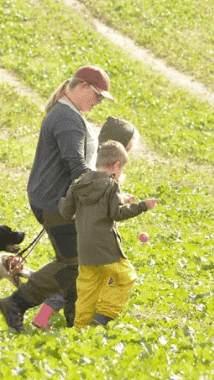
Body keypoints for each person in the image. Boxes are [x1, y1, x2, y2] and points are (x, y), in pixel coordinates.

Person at [0, 65, 113, 332]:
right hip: (55, 202)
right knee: (73, 263)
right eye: (97, 96)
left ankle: (75, 320)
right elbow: (76, 164)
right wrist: (105, 193)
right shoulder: (66, 118)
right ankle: (16, 303)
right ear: (82, 86)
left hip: (56, 200)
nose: (97, 102)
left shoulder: (68, 114)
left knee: (78, 262)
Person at [31, 116, 141, 329]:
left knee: (81, 273)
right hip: (92, 234)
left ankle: (49, 315)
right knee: (96, 274)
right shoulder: (101, 170)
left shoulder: (96, 162)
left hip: (85, 229)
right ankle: (95, 319)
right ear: (124, 147)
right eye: (130, 147)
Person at [58, 140, 158, 329]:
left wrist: (79, 216)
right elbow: (117, 214)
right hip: (106, 249)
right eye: (121, 169)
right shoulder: (111, 185)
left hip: (85, 248)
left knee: (89, 288)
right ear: (117, 165)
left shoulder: (79, 183)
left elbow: (65, 211)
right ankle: (104, 316)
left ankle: (80, 328)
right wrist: (143, 205)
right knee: (126, 276)